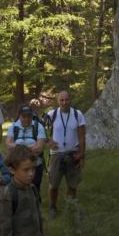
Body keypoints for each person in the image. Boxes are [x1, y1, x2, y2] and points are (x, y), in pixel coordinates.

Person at [46, 90, 87, 218]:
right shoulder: (52, 114)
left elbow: (82, 137)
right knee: (53, 184)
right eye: (61, 100)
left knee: (72, 184)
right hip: (56, 154)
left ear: (70, 100)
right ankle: (52, 207)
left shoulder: (77, 114)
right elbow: (40, 130)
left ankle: (71, 206)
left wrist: (81, 155)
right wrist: (49, 141)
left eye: (66, 100)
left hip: (73, 154)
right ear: (58, 101)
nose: (64, 103)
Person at [5, 104, 49, 201]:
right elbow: (8, 144)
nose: (26, 119)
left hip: (35, 165)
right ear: (19, 116)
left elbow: (39, 148)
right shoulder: (13, 127)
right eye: (24, 116)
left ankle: (36, 212)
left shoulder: (38, 127)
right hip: (17, 166)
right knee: (16, 191)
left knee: (35, 190)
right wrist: (28, 148)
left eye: (29, 116)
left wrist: (18, 149)